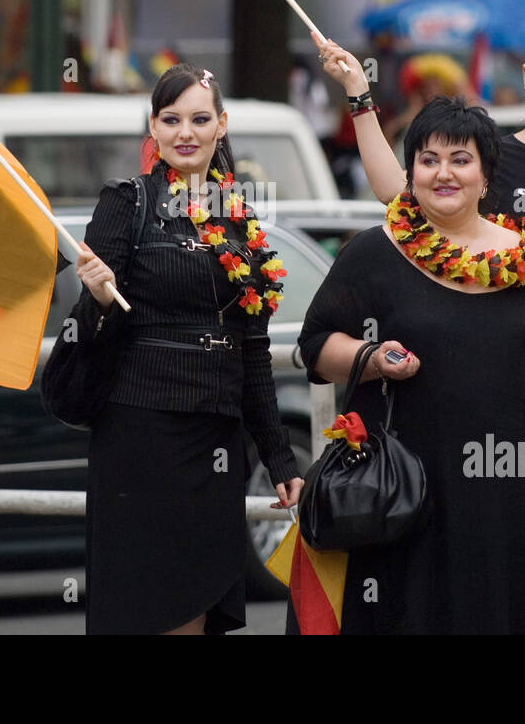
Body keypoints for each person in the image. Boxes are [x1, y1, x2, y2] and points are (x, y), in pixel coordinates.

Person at [314, 19, 525, 603]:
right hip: (496, 401)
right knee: (483, 574)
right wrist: (360, 99)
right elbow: (402, 193)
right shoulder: (487, 159)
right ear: (522, 75)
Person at [297, 97, 525, 634]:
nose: (443, 173)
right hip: (410, 486)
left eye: (460, 159)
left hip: (511, 488)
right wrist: (371, 358)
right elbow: (314, 346)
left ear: (485, 174)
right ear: (410, 174)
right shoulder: (372, 253)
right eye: (428, 160)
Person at [72, 63, 304, 635]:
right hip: (139, 434)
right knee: (145, 607)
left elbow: (253, 349)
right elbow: (86, 334)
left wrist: (277, 455)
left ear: (221, 126)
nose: (186, 132)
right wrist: (99, 300)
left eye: (200, 119)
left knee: (198, 602)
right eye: (171, 119)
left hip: (214, 441)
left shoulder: (241, 221)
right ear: (153, 127)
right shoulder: (126, 202)